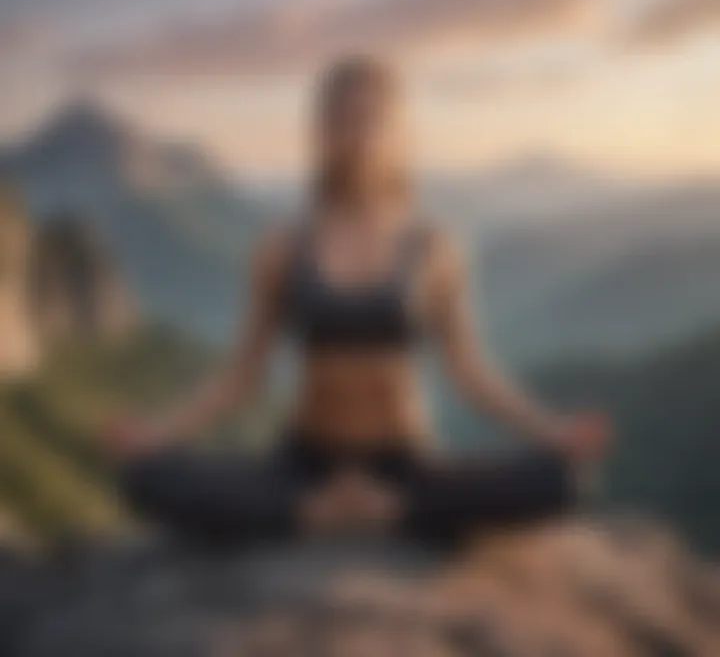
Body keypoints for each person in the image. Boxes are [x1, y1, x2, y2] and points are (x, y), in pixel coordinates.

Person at [106, 56, 610, 547]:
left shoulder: (434, 247)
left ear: (400, 134)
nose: (360, 134)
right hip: (306, 463)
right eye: (344, 119)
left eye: (374, 119)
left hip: (405, 463)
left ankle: (388, 509)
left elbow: (471, 374)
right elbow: (242, 376)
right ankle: (317, 510)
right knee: (145, 479)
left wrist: (553, 430)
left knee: (563, 482)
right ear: (322, 135)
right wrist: (156, 434)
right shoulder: (283, 248)